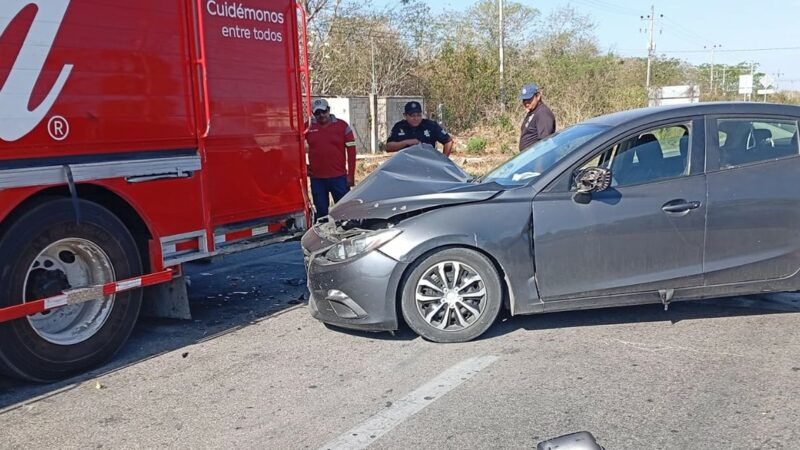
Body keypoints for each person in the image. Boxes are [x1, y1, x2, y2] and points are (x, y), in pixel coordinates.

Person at [305, 98, 357, 218]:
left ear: (329, 110)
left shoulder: (342, 126)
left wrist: (351, 175)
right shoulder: (308, 127)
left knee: (343, 210)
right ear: (313, 114)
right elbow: (293, 147)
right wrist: (303, 167)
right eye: (317, 113)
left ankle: (346, 233)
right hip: (317, 179)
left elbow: (352, 151)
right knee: (322, 211)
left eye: (323, 111)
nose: (321, 115)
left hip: (338, 177)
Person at [386, 101, 454, 156]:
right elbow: (388, 147)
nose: (416, 118)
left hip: (428, 163)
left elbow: (448, 141)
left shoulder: (430, 125)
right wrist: (407, 142)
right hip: (406, 164)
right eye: (412, 116)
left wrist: (443, 160)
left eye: (419, 115)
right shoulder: (399, 126)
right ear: (405, 115)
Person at [518, 83, 556, 151]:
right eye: (524, 100)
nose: (526, 103)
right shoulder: (534, 111)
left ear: (538, 96)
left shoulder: (543, 113)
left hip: (535, 157)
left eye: (529, 99)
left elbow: (545, 142)